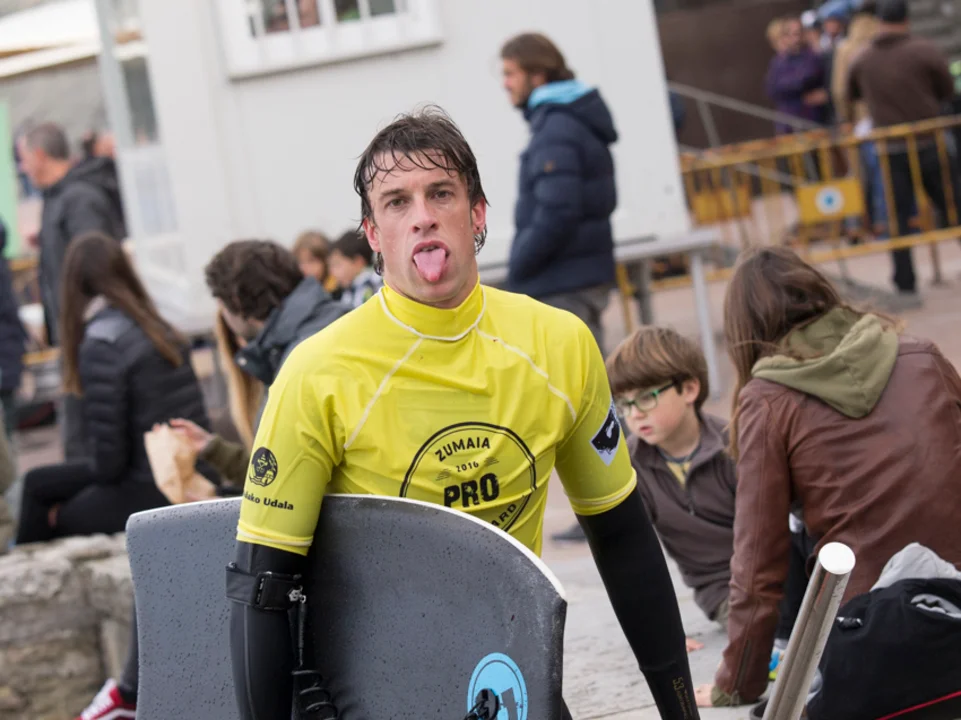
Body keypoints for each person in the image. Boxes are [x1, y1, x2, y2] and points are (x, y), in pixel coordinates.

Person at [225, 107, 700, 720]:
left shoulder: (558, 343)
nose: (422, 215)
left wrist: (681, 713)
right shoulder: (317, 372)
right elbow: (261, 588)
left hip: (507, 682)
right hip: (377, 693)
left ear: (477, 214)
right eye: (397, 202)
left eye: (441, 193)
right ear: (373, 234)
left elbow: (622, 537)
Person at [695, 246, 961, 708]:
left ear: (745, 331)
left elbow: (757, 564)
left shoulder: (767, 399)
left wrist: (735, 684)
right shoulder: (922, 355)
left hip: (872, 635)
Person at [15, 230, 209, 544]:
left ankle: (23, 570)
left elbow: (110, 464)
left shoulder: (102, 342)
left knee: (40, 491)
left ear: (74, 283)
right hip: (187, 470)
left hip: (150, 486)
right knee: (41, 483)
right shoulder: (158, 325)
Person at [500, 32, 619, 543]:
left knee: (585, 401)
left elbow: (557, 211)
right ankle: (608, 508)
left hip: (564, 280)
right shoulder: (563, 120)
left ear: (537, 73)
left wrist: (519, 269)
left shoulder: (558, 127)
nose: (505, 84)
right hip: (573, 275)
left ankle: (614, 509)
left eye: (510, 73)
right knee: (586, 396)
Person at [172, 240, 350, 489]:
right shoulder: (334, 323)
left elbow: (286, 483)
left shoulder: (296, 360)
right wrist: (212, 448)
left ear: (236, 301)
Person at [606, 327, 736, 651]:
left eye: (646, 397)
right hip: (722, 590)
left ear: (689, 389)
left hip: (774, 575)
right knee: (757, 629)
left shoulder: (735, 444)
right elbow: (631, 557)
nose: (635, 414)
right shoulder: (629, 466)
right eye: (624, 404)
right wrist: (659, 629)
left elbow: (769, 533)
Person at [18, 122, 127, 461]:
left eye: (23, 158)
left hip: (87, 338)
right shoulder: (59, 199)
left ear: (40, 155)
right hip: (75, 336)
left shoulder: (79, 199)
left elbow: (96, 267)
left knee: (86, 435)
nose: (22, 168)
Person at [848, 0, 959, 296]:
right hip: (929, 140)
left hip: (890, 148)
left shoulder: (863, 58)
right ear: (906, 20)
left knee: (897, 218)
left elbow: (850, 94)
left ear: (879, 22)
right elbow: (947, 89)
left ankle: (905, 281)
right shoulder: (924, 50)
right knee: (953, 205)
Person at [766, 17, 829, 134]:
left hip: (813, 121)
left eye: (798, 33)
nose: (795, 39)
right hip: (788, 124)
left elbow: (809, 76)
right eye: (790, 34)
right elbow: (773, 89)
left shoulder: (813, 56)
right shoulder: (778, 62)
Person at [326, 229, 383, 308]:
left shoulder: (370, 284)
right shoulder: (349, 289)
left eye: (337, 264)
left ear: (358, 262)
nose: (332, 272)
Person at [293, 229, 339, 295]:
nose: (303, 268)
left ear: (326, 261)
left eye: (311, 260)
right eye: (300, 261)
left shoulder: (339, 291)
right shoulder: (296, 291)